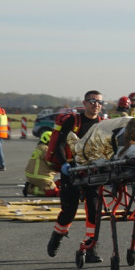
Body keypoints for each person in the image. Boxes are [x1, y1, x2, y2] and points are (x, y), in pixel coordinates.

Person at [46, 91, 105, 261]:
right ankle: (57, 235)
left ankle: (91, 247)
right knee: (69, 211)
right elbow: (60, 144)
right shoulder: (74, 121)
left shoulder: (102, 124)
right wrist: (64, 164)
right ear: (84, 103)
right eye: (92, 101)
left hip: (93, 171)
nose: (96, 104)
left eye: (99, 102)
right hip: (71, 170)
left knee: (94, 210)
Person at [24, 130, 59, 197]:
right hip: (41, 177)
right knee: (55, 193)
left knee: (56, 185)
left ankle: (33, 186)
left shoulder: (39, 147)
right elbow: (51, 162)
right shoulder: (45, 149)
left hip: (32, 175)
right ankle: (30, 189)